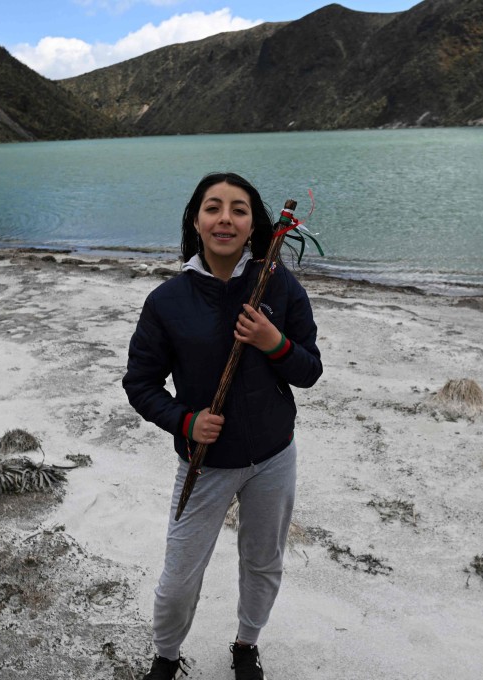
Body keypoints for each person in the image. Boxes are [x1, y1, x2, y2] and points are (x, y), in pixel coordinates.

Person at [123, 172, 323, 680]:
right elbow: (141, 384)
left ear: (255, 222)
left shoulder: (277, 283)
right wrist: (185, 422)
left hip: (274, 455)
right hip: (204, 462)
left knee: (262, 562)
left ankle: (246, 645)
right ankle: (167, 657)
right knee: (178, 579)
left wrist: (272, 341)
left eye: (238, 209)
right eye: (214, 208)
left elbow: (309, 371)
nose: (225, 219)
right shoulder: (168, 300)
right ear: (197, 219)